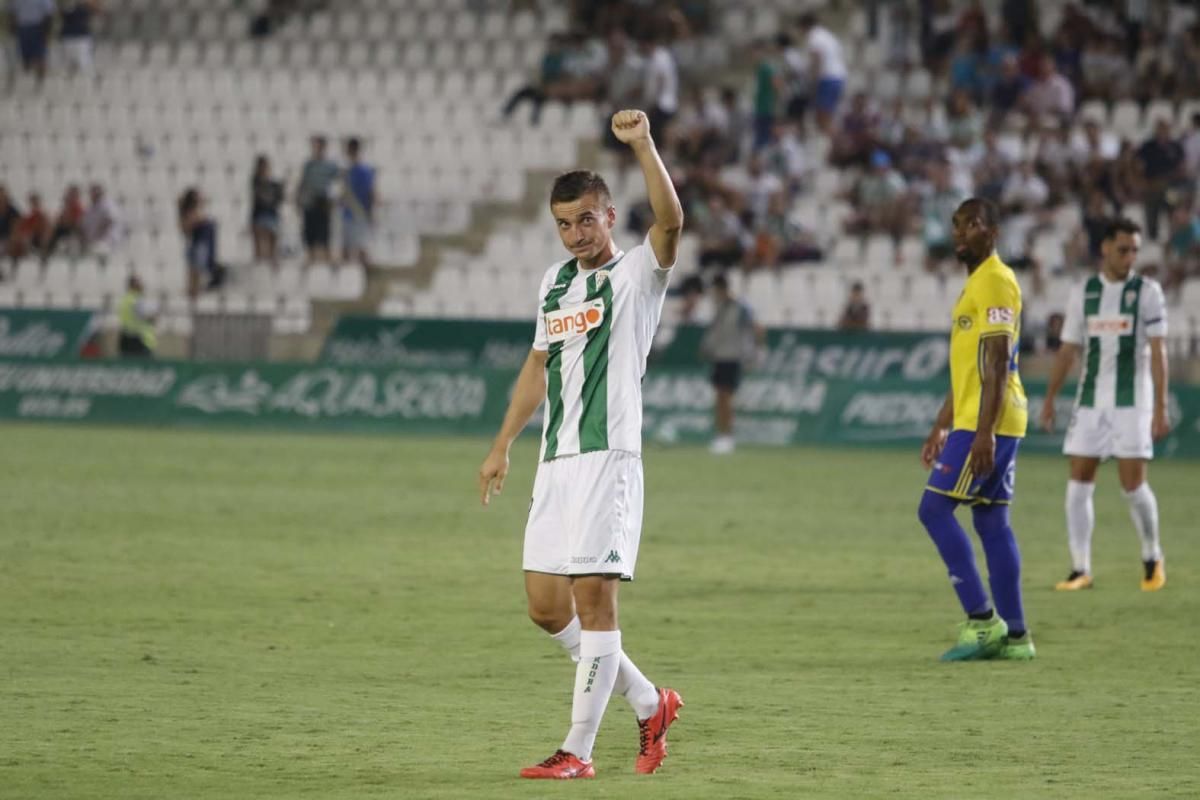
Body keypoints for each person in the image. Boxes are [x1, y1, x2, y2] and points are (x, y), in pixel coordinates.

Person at [477, 109, 684, 781]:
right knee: (545, 607)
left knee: (596, 605)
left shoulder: (636, 276)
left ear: (610, 216)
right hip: (556, 461)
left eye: (586, 220)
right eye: (564, 224)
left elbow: (673, 222)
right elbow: (538, 366)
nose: (574, 235)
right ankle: (652, 702)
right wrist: (504, 442)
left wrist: (644, 145)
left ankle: (579, 750)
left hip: (608, 457)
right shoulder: (555, 283)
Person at [918, 198, 1033, 662]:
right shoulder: (976, 285)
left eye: (973, 224)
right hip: (982, 419)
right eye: (957, 225)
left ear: (993, 232)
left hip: (990, 421)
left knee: (934, 509)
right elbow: (969, 369)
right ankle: (1017, 636)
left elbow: (998, 361)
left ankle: (983, 621)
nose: (961, 232)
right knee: (989, 520)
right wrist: (941, 424)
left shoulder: (997, 281)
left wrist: (983, 432)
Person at [1038, 218, 1169, 592]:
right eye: (1123, 249)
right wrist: (1050, 399)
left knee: (1132, 485)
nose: (1130, 257)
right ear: (1105, 249)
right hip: (1091, 400)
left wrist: (1160, 407)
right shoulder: (1084, 292)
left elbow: (1158, 353)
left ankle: (1151, 555)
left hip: (1133, 403)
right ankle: (1080, 569)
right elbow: (1068, 351)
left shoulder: (1147, 292)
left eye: (1134, 250)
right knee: (1078, 481)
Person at [700, 273, 764, 454]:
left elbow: (757, 328)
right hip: (720, 357)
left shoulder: (741, 307)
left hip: (733, 357)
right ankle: (721, 435)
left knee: (726, 398)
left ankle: (727, 437)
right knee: (720, 397)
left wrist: (757, 352)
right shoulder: (720, 307)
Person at [296, 136, 339, 265]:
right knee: (310, 232)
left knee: (324, 232)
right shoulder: (309, 165)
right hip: (310, 202)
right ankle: (311, 257)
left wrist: (333, 200)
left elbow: (338, 183)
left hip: (323, 202)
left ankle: (326, 258)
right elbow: (303, 183)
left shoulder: (330, 166)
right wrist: (298, 199)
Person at [340, 137, 376, 269]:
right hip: (348, 215)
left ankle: (369, 278)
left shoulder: (364, 170)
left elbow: (371, 193)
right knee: (346, 250)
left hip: (359, 214)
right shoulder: (346, 171)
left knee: (361, 249)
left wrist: (370, 213)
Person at [250, 155, 283, 265]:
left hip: (271, 214)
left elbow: (277, 199)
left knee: (272, 238)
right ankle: (260, 263)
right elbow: (261, 197)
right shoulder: (256, 182)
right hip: (260, 214)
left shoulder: (273, 184)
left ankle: (271, 261)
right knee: (260, 240)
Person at [117, 275, 156, 357]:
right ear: (134, 284)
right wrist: (152, 317)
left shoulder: (125, 299)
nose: (142, 284)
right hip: (140, 340)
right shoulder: (136, 300)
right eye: (139, 282)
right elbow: (147, 317)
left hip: (126, 336)